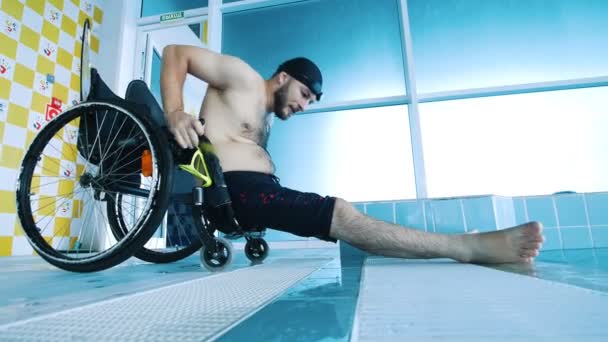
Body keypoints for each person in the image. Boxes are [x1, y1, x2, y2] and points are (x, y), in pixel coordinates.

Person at [160, 45, 544, 264]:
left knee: (337, 210)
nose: (305, 106)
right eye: (305, 95)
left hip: (251, 191)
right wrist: (176, 111)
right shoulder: (242, 77)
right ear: (283, 78)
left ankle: (459, 243)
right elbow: (177, 53)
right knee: (339, 213)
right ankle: (467, 248)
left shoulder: (263, 115)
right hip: (235, 191)